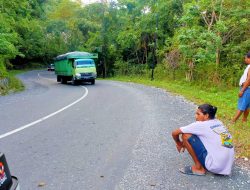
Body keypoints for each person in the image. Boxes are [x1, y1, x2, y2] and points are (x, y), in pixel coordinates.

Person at [172, 104, 234, 176]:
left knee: (186, 135)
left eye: (198, 114)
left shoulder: (200, 125)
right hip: (227, 166)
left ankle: (199, 168)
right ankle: (212, 163)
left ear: (206, 116)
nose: (196, 116)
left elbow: (174, 133)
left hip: (215, 166)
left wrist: (179, 143)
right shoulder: (219, 122)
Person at [232, 52, 250, 123]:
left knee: (242, 105)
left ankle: (233, 121)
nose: (245, 59)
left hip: (246, 88)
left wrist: (242, 90)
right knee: (247, 105)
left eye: (245, 58)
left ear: (249, 58)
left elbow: (249, 80)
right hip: (248, 88)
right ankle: (244, 120)